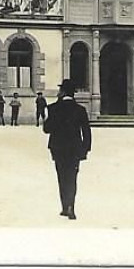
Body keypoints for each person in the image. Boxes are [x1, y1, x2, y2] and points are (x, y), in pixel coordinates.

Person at [43, 79, 92, 220]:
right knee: (72, 178)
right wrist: (85, 149)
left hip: (58, 149)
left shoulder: (53, 108)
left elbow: (47, 129)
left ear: (63, 92)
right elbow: (87, 132)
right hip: (75, 149)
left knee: (61, 177)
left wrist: (48, 118)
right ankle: (71, 206)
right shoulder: (80, 110)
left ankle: (65, 206)